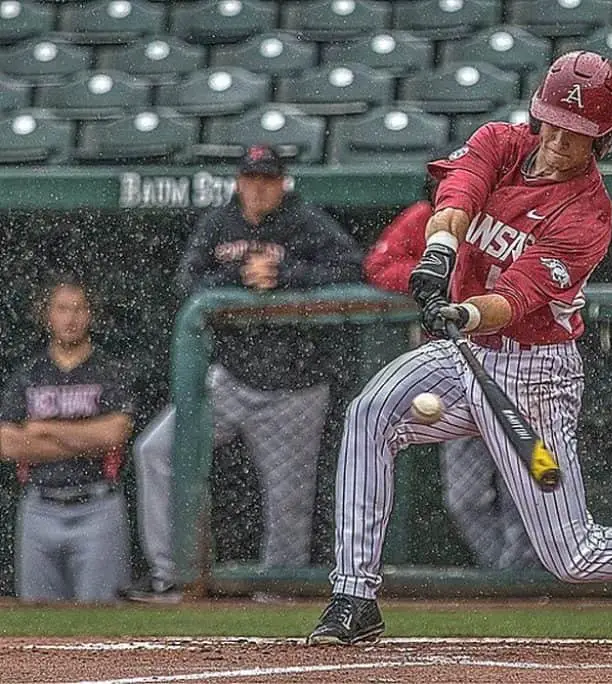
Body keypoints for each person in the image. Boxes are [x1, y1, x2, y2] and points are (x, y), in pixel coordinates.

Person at [306, 51, 612, 647]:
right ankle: (354, 596)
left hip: (533, 375)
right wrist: (438, 257)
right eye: (552, 121)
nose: (556, 140)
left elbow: (516, 297)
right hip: (459, 360)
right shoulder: (502, 143)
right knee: (370, 413)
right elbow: (458, 192)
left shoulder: (586, 215)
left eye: (575, 132)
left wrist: (464, 311)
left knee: (572, 553)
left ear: (601, 137)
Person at [120, 145, 364, 602]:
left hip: (296, 386)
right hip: (229, 380)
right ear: (238, 181)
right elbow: (187, 282)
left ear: (281, 183)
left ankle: (277, 596)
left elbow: (353, 269)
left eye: (267, 179)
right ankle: (171, 575)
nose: (258, 188)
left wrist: (285, 273)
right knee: (156, 451)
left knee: (288, 503)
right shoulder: (219, 223)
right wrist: (237, 274)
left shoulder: (305, 221)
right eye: (251, 178)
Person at [363, 184, 539, 571]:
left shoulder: (510, 220)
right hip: (456, 373)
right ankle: (504, 576)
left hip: (516, 367)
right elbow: (379, 266)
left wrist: (466, 282)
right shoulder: (426, 217)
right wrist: (434, 276)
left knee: (525, 490)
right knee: (464, 497)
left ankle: (525, 577)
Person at [0, 274, 135, 602]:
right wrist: (83, 440)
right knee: (40, 628)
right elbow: (8, 444)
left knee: (103, 627)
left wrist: (46, 430)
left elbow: (114, 434)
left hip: (98, 507)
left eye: (78, 309)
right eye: (62, 309)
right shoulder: (29, 375)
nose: (70, 318)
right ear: (48, 315)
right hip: (39, 507)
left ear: (90, 315)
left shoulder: (109, 371)